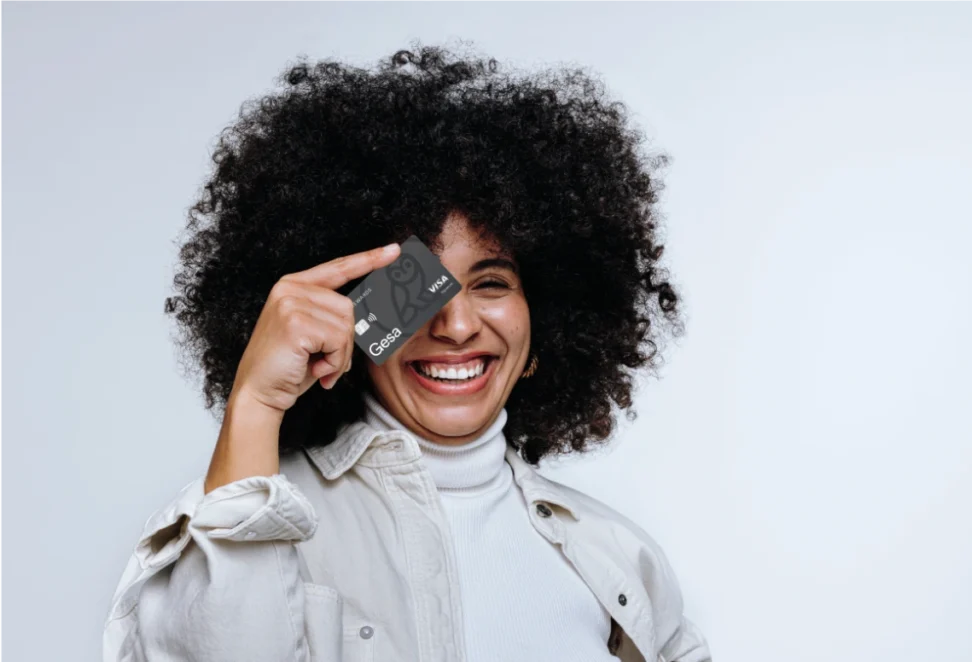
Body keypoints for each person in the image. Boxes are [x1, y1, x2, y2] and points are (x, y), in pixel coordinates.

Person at [103, 43, 711, 662]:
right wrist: (257, 403)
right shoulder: (245, 512)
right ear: (346, 314)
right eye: (418, 286)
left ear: (548, 322)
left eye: (492, 282)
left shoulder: (615, 558)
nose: (455, 324)